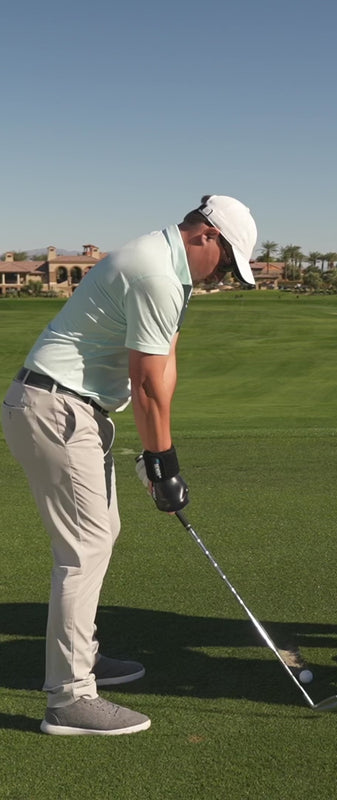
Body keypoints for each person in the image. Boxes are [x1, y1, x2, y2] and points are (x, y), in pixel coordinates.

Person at [2, 195, 257, 735]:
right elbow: (144, 384)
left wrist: (157, 454)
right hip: (57, 406)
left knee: (101, 533)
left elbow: (163, 368)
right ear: (205, 236)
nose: (226, 275)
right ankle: (69, 699)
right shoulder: (156, 272)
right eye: (229, 261)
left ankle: (82, 660)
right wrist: (164, 463)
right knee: (84, 547)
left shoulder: (172, 273)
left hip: (73, 408)